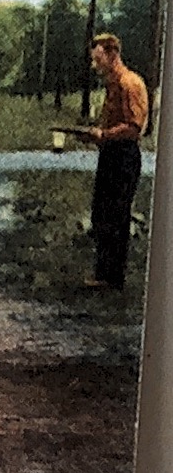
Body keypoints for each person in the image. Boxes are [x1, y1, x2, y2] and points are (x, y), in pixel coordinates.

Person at [78, 33, 148, 292]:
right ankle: (103, 273)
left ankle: (113, 278)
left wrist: (104, 135)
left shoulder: (131, 84)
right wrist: (95, 136)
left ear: (112, 54)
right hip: (110, 155)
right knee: (101, 213)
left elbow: (134, 127)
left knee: (117, 216)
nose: (95, 66)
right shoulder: (111, 86)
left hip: (125, 157)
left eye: (98, 60)